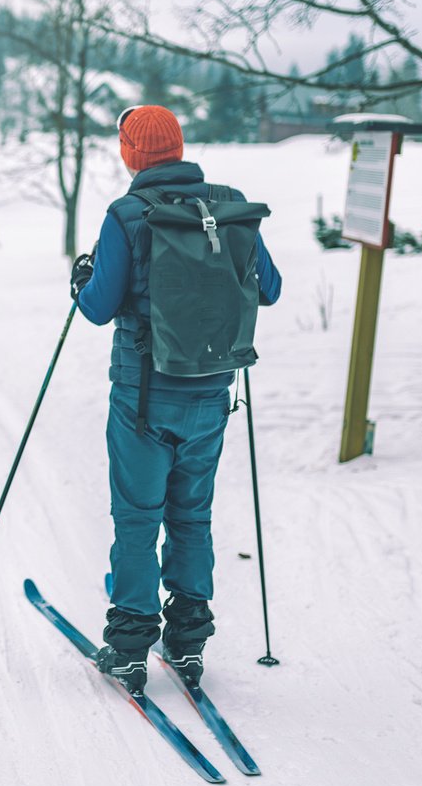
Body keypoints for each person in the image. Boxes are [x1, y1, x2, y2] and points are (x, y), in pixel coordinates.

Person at [69, 105, 282, 693]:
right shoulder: (229, 205)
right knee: (192, 514)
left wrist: (81, 277)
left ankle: (131, 644)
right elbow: (270, 287)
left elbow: (96, 306)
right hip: (211, 395)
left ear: (131, 155)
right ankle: (187, 641)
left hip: (142, 397)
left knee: (137, 516)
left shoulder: (128, 214)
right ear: (180, 148)